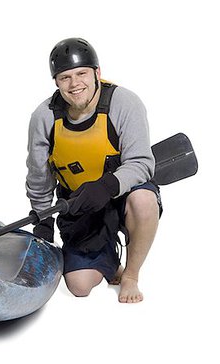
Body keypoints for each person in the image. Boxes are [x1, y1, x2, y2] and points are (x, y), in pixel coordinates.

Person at [26, 38, 162, 303]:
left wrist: (106, 186)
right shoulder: (43, 117)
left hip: (122, 194)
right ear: (56, 81)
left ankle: (131, 275)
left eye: (81, 74)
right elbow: (39, 177)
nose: (75, 84)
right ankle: (109, 257)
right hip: (79, 203)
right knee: (79, 286)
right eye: (65, 77)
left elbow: (142, 163)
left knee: (144, 201)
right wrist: (43, 221)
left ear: (97, 73)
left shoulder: (124, 103)